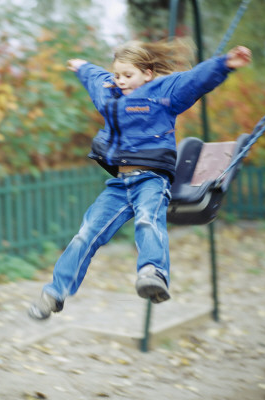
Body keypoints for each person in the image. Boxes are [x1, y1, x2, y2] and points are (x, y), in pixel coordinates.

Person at [28, 39, 252, 320]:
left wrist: (224, 64)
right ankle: (54, 293)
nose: (121, 81)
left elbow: (195, 80)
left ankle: (152, 272)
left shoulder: (163, 92)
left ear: (147, 73)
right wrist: (81, 66)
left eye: (128, 75)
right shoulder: (110, 94)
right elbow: (96, 78)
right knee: (86, 234)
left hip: (151, 179)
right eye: (118, 75)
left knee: (148, 219)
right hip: (120, 185)